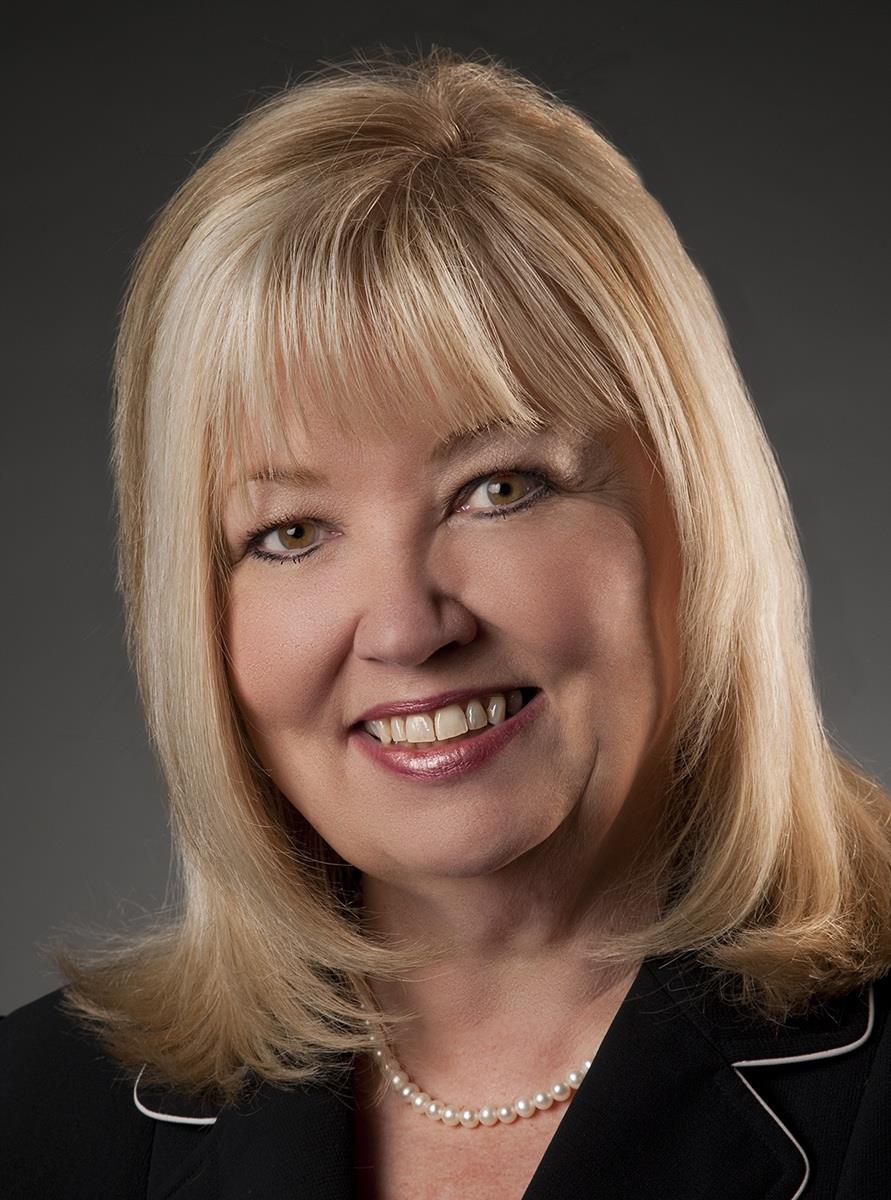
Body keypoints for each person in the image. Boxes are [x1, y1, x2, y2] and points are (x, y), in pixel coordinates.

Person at [2, 46, 889, 1200]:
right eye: (290, 532)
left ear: (692, 510)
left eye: (499, 487)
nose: (406, 627)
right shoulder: (36, 1121)